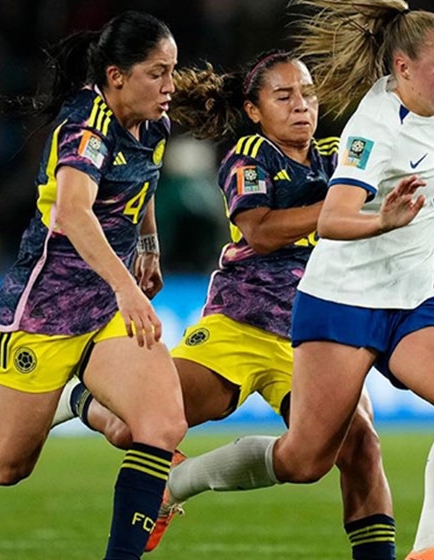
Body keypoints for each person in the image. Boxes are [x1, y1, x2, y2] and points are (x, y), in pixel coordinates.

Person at [154, 2, 434, 559]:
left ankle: (431, 548)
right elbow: (335, 218)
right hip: (342, 302)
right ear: (403, 68)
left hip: (412, 297)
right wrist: (383, 220)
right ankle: (177, 483)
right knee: (305, 459)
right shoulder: (373, 130)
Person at [55, 50, 396, 559]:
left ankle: (178, 485)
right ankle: (80, 397)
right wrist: (336, 206)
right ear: (254, 111)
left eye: (307, 94)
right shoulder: (249, 156)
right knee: (137, 426)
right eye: (284, 96)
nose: (301, 106)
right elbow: (259, 231)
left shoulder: (339, 155)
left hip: (314, 336)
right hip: (240, 326)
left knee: (358, 448)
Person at [0, 11, 187, 560]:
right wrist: (127, 287)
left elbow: (144, 182)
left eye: (172, 71)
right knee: (5, 464)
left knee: (158, 425)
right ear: (117, 76)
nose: (170, 86)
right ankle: (76, 395)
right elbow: (74, 214)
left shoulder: (154, 123)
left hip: (103, 312)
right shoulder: (86, 130)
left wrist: (148, 245)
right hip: (42, 315)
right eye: (158, 73)